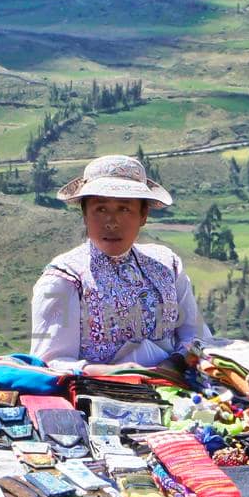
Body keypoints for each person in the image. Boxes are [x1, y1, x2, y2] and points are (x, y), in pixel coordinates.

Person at [29, 154, 211, 369]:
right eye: (100, 209)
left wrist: (177, 362)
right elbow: (50, 362)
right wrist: (113, 373)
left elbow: (198, 337)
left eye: (124, 209)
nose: (112, 222)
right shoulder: (64, 278)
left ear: (143, 215)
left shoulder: (166, 266)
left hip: (174, 386)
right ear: (85, 214)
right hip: (97, 397)